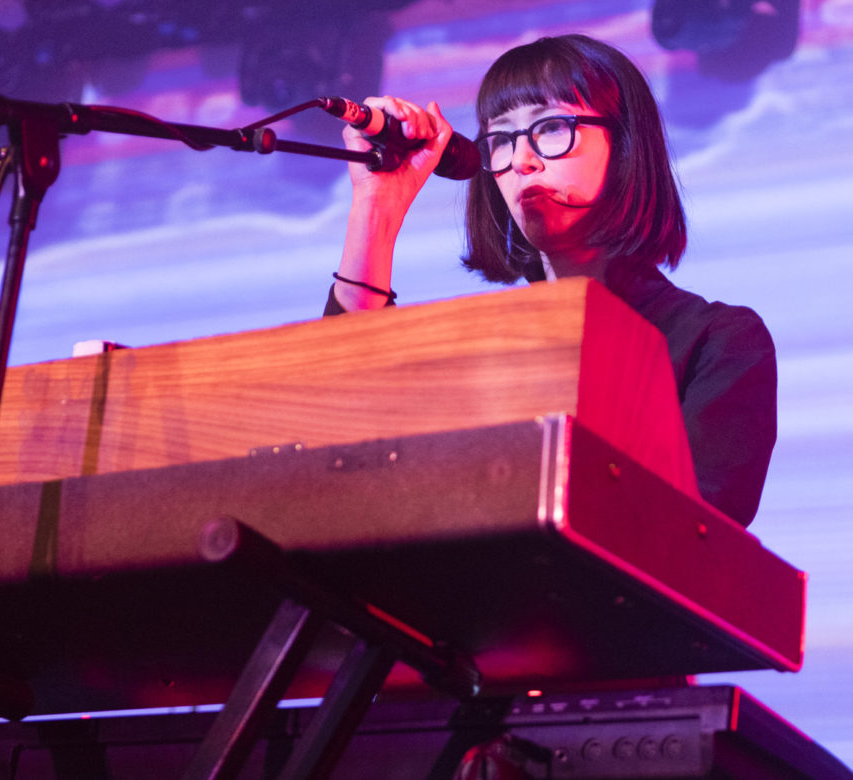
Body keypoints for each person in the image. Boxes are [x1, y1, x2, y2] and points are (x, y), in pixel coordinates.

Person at [325, 34, 776, 527]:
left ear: (625, 143)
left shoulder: (718, 342)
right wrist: (377, 207)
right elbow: (341, 444)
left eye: (553, 127)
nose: (522, 161)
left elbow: (693, 534)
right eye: (500, 139)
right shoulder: (473, 349)